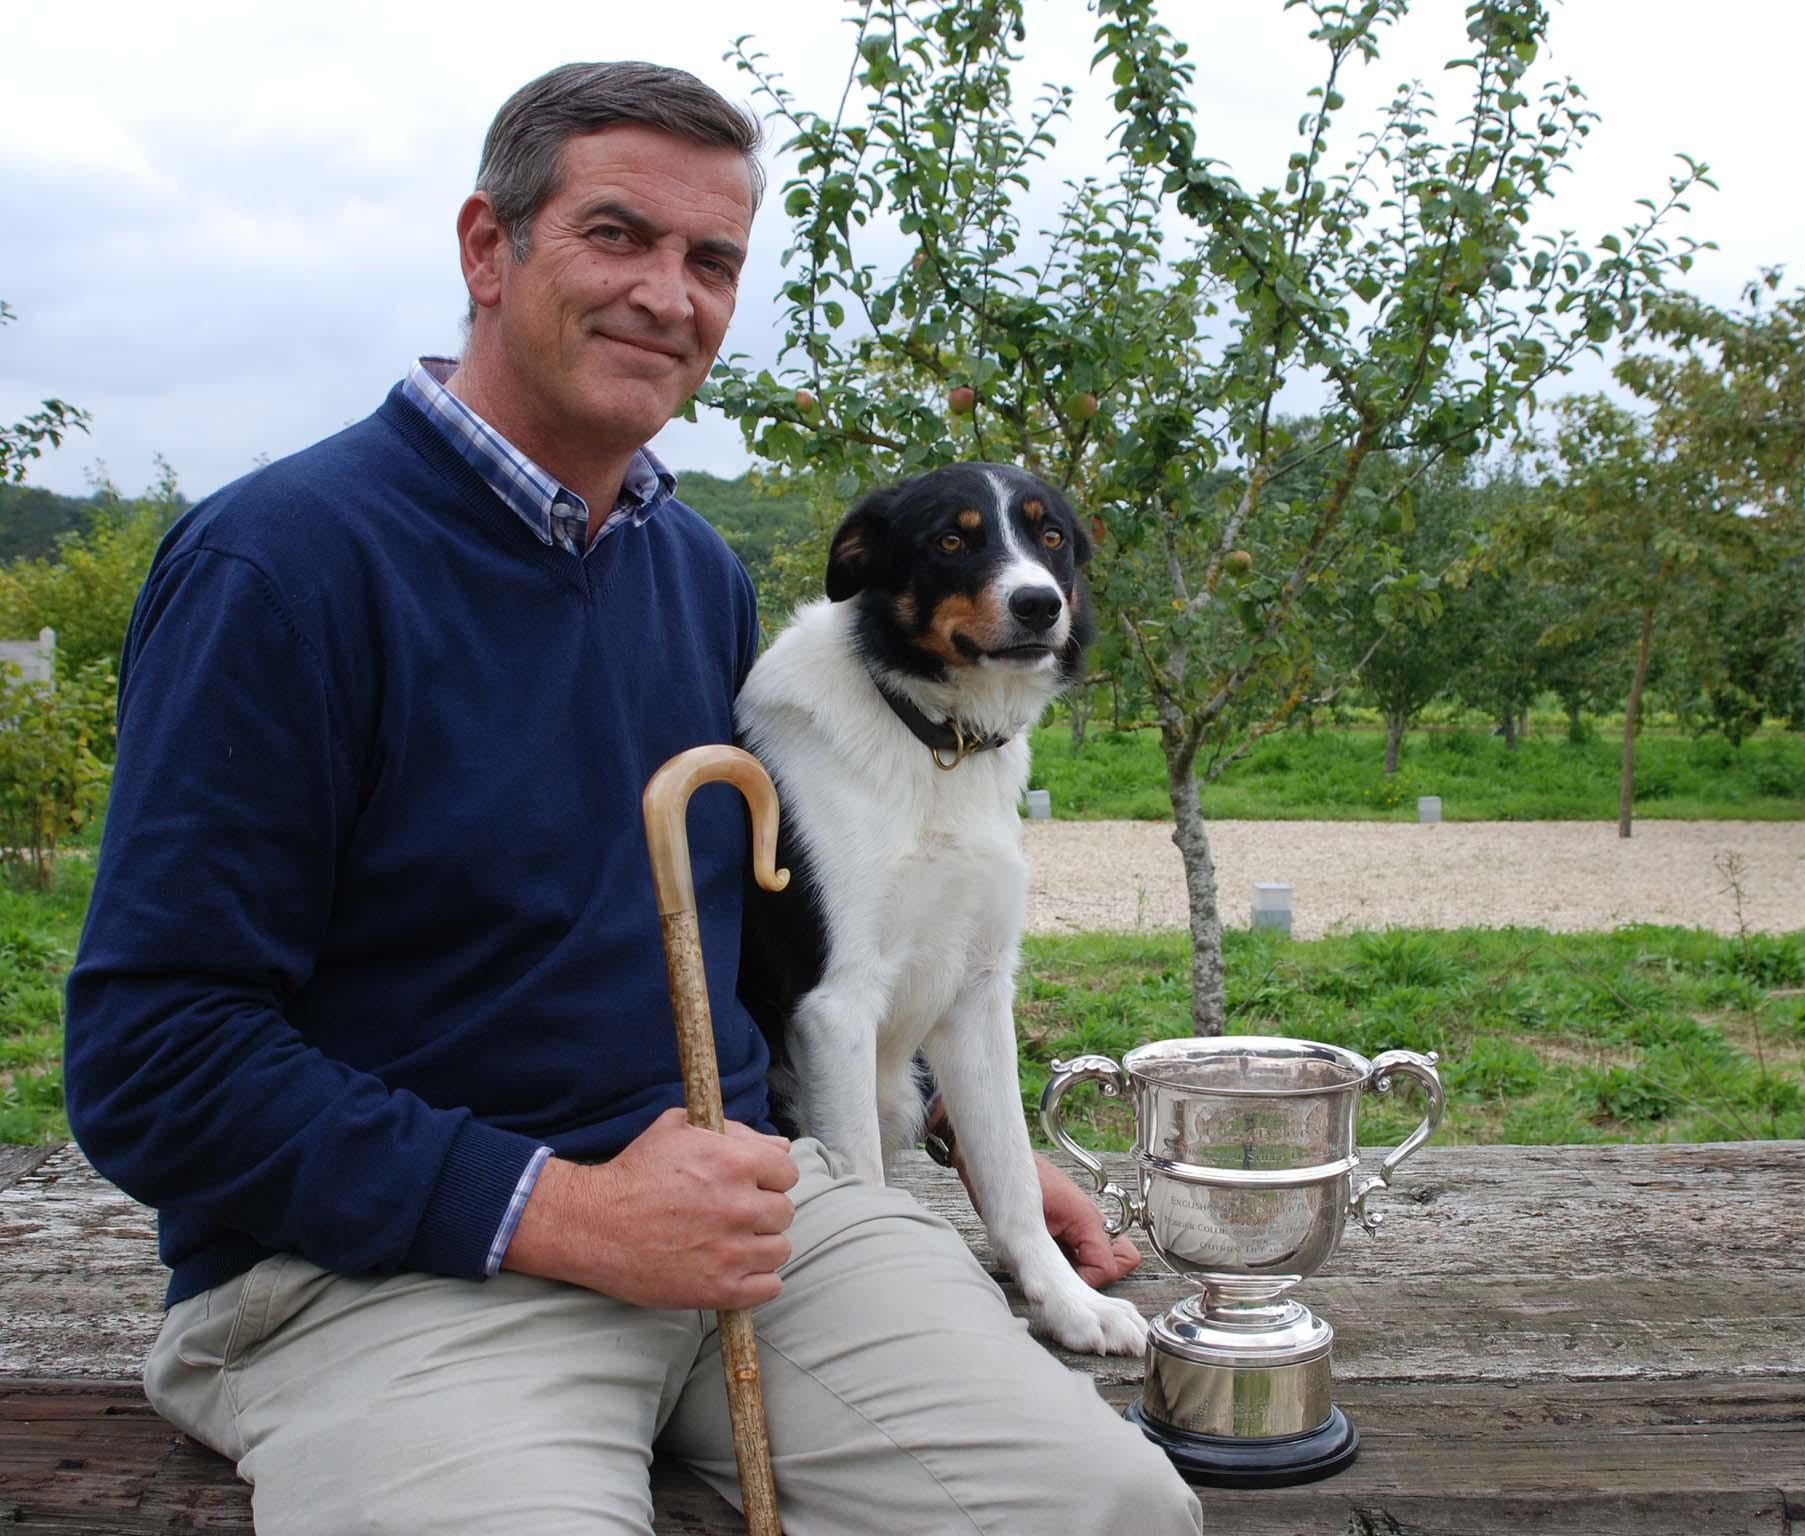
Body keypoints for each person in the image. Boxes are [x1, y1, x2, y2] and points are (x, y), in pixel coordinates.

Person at [63, 60, 1202, 1536]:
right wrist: (579, 1214)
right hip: (389, 1281)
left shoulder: (691, 576)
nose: (669, 294)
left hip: (742, 1220)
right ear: (489, 247)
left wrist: (952, 1134)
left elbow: (768, 954)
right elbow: (154, 1060)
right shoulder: (280, 570)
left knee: (1113, 1513)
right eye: (617, 236)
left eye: (711, 259)